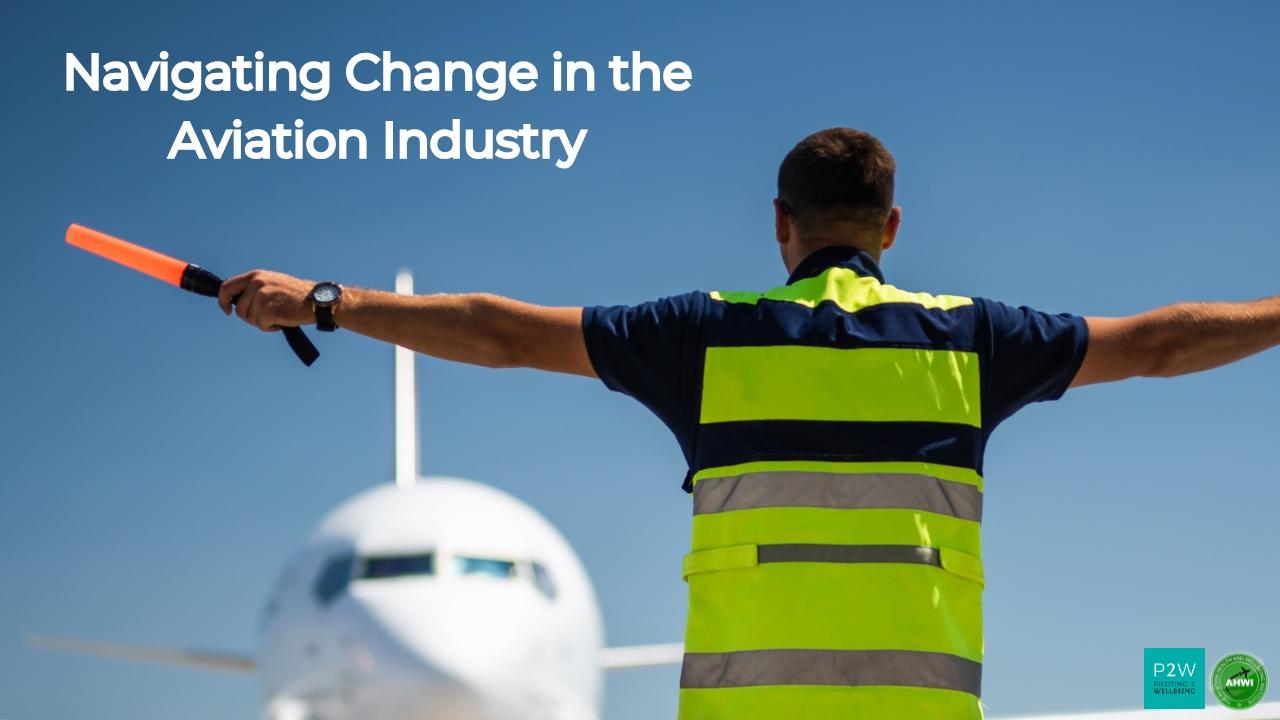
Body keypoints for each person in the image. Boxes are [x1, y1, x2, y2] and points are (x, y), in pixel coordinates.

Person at [218, 128, 1280, 719]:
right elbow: (1156, 342)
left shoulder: (704, 339)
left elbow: (501, 334)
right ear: (891, 228)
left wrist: (330, 301)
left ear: (779, 226)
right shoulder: (969, 343)